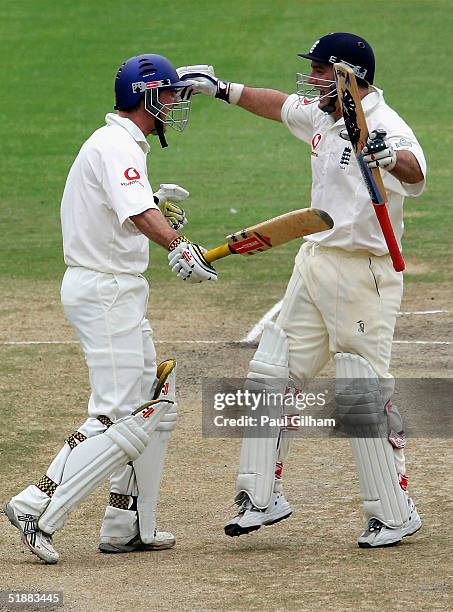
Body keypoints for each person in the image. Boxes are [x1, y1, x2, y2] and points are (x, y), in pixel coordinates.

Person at [177, 32, 427, 548]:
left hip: (365, 273)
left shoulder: (383, 124)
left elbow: (416, 171)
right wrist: (221, 88)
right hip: (314, 260)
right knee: (272, 368)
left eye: (318, 70)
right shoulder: (323, 114)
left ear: (347, 76)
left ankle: (395, 511)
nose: (309, 80)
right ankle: (261, 495)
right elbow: (277, 104)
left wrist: (381, 156)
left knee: (361, 392)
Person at [4, 53, 217, 564]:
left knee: (155, 404)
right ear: (145, 95)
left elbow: (132, 207)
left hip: (115, 288)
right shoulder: (117, 143)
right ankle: (36, 505)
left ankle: (127, 523)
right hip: (104, 291)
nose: (174, 103)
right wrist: (177, 243)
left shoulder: (121, 145)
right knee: (117, 414)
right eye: (168, 94)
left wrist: (158, 216)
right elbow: (139, 212)